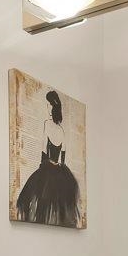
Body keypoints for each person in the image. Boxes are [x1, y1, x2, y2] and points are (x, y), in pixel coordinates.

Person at [16, 89, 81, 226]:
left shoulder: (47, 124)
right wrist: (60, 168)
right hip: (60, 170)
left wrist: (42, 167)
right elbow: (63, 154)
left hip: (47, 167)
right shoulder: (61, 130)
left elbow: (43, 149)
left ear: (52, 106)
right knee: (59, 206)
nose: (47, 107)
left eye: (49, 104)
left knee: (39, 203)